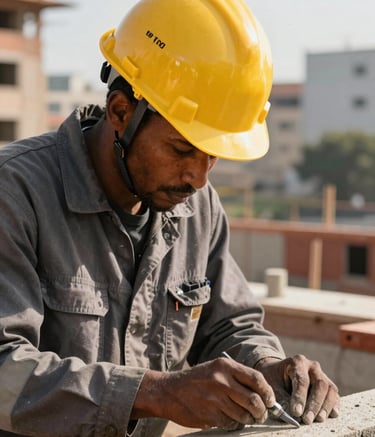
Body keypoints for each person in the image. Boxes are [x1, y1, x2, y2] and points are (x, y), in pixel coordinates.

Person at [0, 0, 339, 436]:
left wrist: (267, 368)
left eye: (212, 155)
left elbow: (229, 325)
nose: (198, 178)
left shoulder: (195, 205)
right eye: (181, 150)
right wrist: (156, 392)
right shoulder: (16, 192)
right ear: (121, 112)